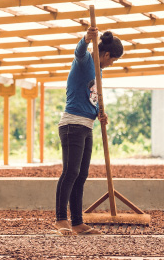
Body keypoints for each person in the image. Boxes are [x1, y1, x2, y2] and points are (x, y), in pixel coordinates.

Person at [53, 27, 124, 236]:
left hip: (87, 125)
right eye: (113, 60)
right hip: (72, 125)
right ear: (107, 54)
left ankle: (77, 222)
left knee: (81, 174)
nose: (112, 64)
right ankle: (60, 219)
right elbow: (79, 52)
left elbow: (90, 98)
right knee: (70, 172)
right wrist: (85, 38)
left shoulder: (98, 71)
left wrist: (100, 113)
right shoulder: (85, 63)